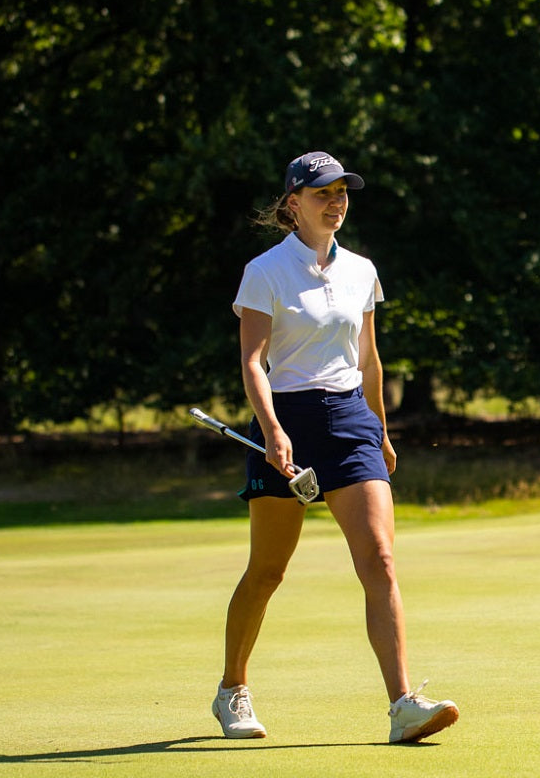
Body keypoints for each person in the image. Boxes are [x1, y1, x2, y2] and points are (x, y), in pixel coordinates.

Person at [211, 151, 459, 744]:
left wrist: (380, 428)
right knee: (268, 571)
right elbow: (252, 362)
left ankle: (403, 705)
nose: (336, 201)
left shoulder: (362, 271)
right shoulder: (264, 271)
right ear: (293, 203)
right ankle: (232, 691)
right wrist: (272, 429)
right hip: (288, 419)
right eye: (323, 193)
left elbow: (369, 359)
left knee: (380, 559)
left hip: (350, 420)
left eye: (342, 191)